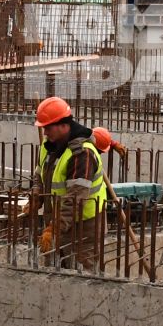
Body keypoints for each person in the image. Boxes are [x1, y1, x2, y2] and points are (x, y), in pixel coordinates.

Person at [34, 96, 109, 268]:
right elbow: (39, 174)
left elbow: (76, 197)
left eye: (48, 128)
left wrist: (54, 228)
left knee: (83, 277)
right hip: (59, 222)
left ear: (63, 125)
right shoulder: (49, 145)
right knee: (53, 273)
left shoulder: (82, 154)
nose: (45, 133)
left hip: (84, 228)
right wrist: (36, 194)